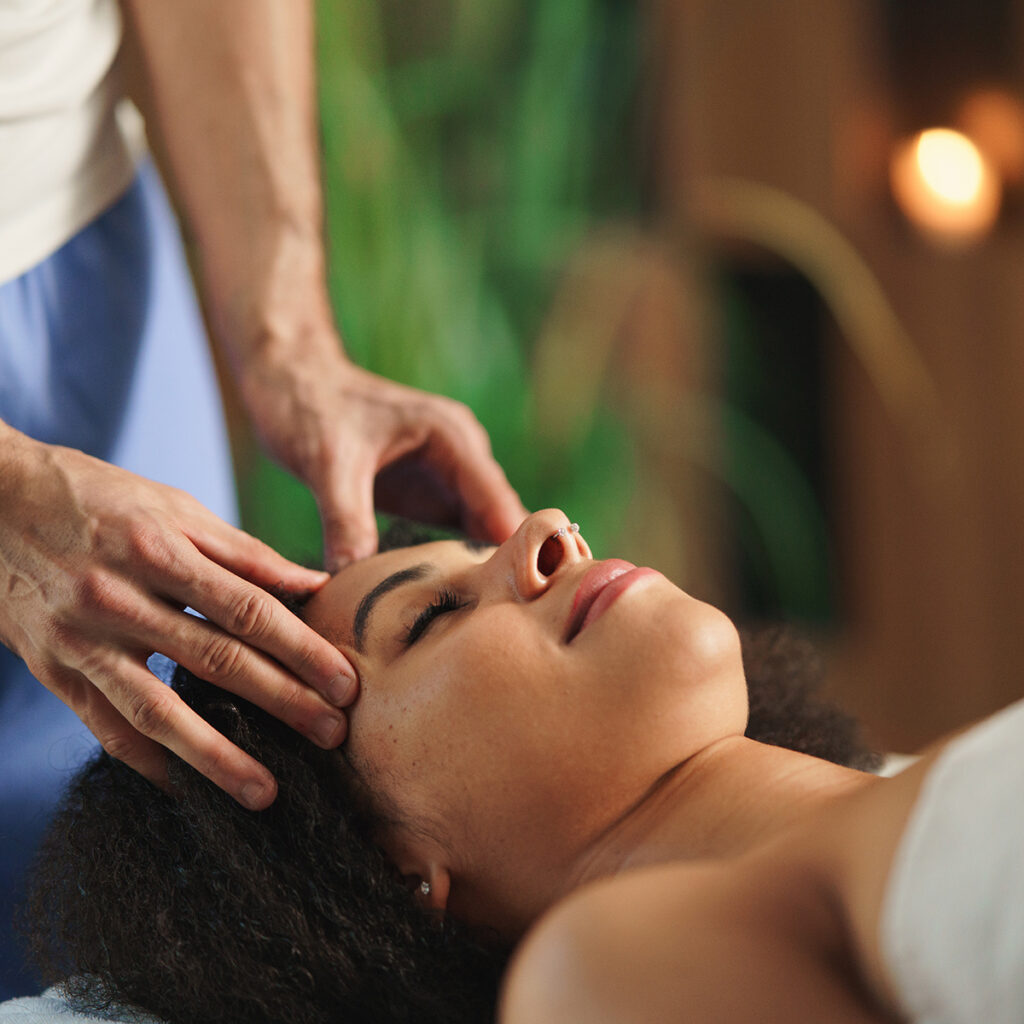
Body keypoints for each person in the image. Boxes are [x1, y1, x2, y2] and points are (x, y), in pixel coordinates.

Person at [0, 0, 525, 999]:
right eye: (426, 619)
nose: (546, 534)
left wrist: (287, 332)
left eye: (438, 602)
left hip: (81, 259)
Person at [28, 510, 1008, 1024]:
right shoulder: (601, 978)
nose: (549, 530)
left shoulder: (923, 777)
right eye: (435, 615)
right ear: (391, 872)